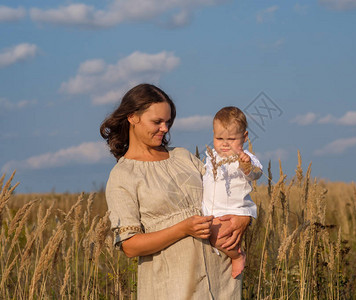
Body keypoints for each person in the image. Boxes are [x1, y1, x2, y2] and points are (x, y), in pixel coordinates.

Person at [100, 84, 250, 299]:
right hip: (173, 287)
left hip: (222, 281)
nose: (165, 128)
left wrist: (243, 219)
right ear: (132, 117)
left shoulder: (182, 156)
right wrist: (182, 229)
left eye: (168, 122)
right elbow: (130, 246)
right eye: (157, 122)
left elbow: (228, 189)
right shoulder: (123, 175)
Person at [202, 106, 263, 278]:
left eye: (231, 138)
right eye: (219, 138)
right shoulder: (211, 156)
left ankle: (237, 256)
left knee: (220, 237)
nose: (224, 144)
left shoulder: (245, 157)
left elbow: (256, 174)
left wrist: (246, 167)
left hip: (233, 211)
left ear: (244, 137)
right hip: (210, 210)